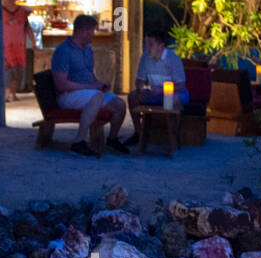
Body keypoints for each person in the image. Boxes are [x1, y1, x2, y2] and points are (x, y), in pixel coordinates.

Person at [51, 14, 128, 158]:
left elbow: (88, 75)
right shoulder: (64, 51)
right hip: (68, 94)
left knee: (119, 104)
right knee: (96, 96)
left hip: (88, 92)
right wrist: (89, 88)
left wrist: (99, 84)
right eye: (92, 31)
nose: (93, 34)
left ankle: (112, 138)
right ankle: (79, 141)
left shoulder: (87, 50)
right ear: (83, 31)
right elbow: (61, 84)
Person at [124, 30, 189, 147]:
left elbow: (181, 85)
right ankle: (139, 132)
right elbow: (139, 81)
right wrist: (142, 88)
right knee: (133, 96)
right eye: (146, 44)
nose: (147, 48)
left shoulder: (173, 59)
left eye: (151, 44)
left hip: (173, 93)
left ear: (161, 46)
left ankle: (172, 135)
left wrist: (161, 89)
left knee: (172, 99)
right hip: (154, 92)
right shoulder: (145, 58)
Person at [1, 0, 31, 102]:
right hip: (4, 46)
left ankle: (13, 93)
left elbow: (27, 27)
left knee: (17, 70)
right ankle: (6, 93)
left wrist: (34, 43)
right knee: (6, 69)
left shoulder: (22, 11)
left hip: (19, 46)